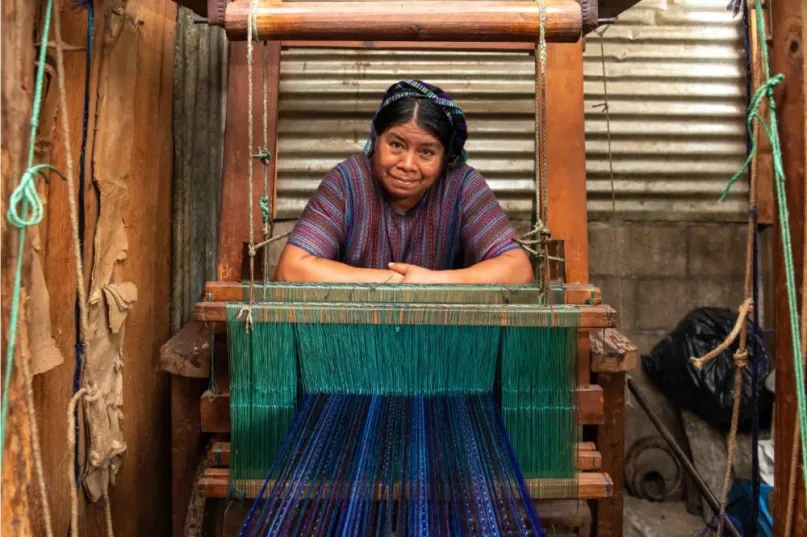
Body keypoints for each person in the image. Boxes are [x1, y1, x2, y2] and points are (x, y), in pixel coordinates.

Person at [275, 79, 533, 284]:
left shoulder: (462, 186)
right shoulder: (348, 181)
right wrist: (395, 282)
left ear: (445, 159)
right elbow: (291, 269)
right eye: (396, 145)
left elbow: (518, 271)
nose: (407, 165)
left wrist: (433, 282)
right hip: (356, 335)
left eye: (427, 152)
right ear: (375, 140)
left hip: (439, 336)